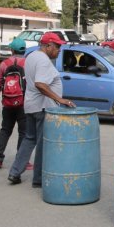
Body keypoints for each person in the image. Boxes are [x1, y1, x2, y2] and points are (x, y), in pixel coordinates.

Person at [7, 32, 75, 187]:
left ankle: (14, 172)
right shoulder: (44, 61)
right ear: (48, 45)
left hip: (31, 105)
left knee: (29, 139)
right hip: (43, 107)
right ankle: (38, 179)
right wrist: (59, 99)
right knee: (42, 143)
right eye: (57, 46)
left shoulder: (31, 56)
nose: (59, 50)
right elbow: (40, 84)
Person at [0, 37, 27, 170]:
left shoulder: (4, 64)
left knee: (5, 130)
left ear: (12, 50)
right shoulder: (28, 63)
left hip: (7, 102)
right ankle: (20, 159)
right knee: (23, 132)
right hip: (23, 103)